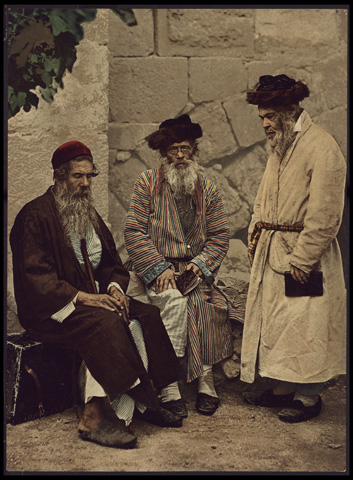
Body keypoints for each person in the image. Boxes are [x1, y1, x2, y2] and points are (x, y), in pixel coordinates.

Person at [10, 140, 185, 450]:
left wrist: (115, 290)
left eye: (90, 176)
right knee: (105, 322)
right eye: (78, 176)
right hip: (51, 310)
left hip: (90, 301)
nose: (85, 184)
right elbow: (37, 278)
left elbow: (109, 265)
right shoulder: (34, 217)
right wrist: (87, 298)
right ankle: (93, 415)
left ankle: (147, 400)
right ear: (58, 176)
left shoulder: (86, 213)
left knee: (146, 314)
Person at [240, 74, 347, 422]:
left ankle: (309, 396)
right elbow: (263, 198)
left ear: (291, 109)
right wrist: (256, 234)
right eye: (262, 118)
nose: (266, 124)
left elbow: (326, 212)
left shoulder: (322, 146)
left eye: (270, 116)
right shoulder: (281, 147)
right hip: (273, 248)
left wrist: (303, 256)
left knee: (306, 325)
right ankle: (284, 387)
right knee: (279, 323)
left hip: (305, 253)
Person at [124, 114, 244, 418]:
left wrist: (199, 266)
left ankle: (206, 383)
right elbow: (134, 231)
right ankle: (169, 386)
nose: (180, 156)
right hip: (158, 272)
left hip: (194, 273)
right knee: (173, 304)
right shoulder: (147, 183)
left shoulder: (208, 189)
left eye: (186, 149)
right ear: (164, 153)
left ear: (195, 152)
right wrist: (158, 266)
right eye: (175, 149)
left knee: (204, 305)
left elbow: (218, 235)